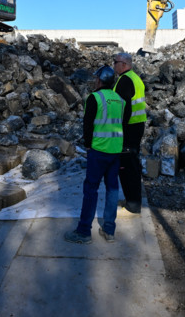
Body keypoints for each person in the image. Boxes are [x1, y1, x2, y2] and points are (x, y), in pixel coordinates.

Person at [64, 65, 127, 244]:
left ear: (100, 80)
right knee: (112, 189)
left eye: (95, 79)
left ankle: (84, 231)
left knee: (91, 189)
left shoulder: (95, 98)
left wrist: (88, 146)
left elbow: (88, 125)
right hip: (115, 151)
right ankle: (109, 230)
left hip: (99, 151)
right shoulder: (120, 100)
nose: (94, 81)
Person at [112, 52, 147, 214]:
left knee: (126, 167)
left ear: (124, 64)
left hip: (128, 130)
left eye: (115, 62)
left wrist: (118, 131)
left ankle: (133, 204)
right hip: (137, 127)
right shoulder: (135, 78)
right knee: (132, 164)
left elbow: (123, 109)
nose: (114, 65)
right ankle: (133, 200)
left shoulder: (125, 80)